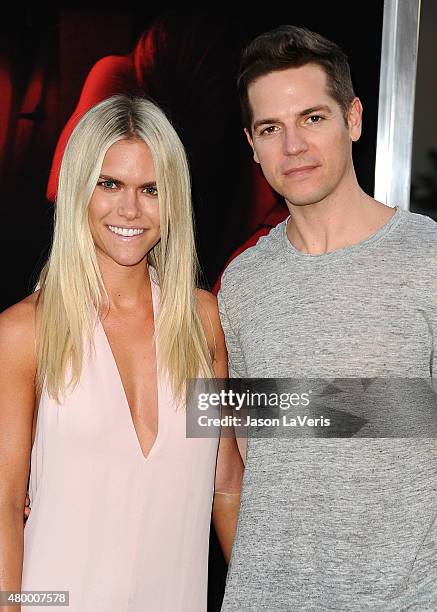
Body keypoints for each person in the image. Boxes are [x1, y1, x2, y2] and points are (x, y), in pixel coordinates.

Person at [218, 25, 437, 610]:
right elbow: (233, 464)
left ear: (354, 118)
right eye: (271, 128)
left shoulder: (429, 260)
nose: (293, 146)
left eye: (313, 118)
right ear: (252, 144)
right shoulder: (240, 285)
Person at [0, 95, 243, 612]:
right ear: (78, 189)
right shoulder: (26, 333)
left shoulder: (203, 322)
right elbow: (2, 508)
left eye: (150, 189)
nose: (129, 209)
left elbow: (225, 481)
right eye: (109, 183)